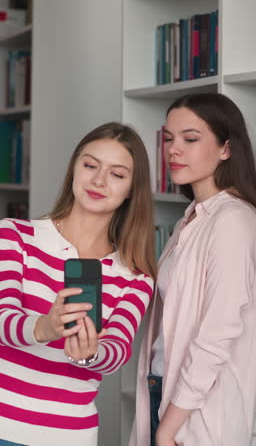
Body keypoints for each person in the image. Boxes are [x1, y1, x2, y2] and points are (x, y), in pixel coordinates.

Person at [0, 122, 156, 446]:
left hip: (69, 435)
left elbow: (117, 350)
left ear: (132, 189)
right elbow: (3, 318)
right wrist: (45, 327)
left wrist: (90, 353)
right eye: (90, 165)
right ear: (74, 167)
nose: (99, 180)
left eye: (117, 174)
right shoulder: (14, 235)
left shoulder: (136, 278)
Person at [130, 93, 256, 446]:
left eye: (190, 139)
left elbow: (217, 333)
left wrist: (170, 426)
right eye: (169, 139)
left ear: (226, 148)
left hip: (198, 414)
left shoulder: (234, 220)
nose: (174, 150)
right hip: (163, 390)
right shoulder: (190, 219)